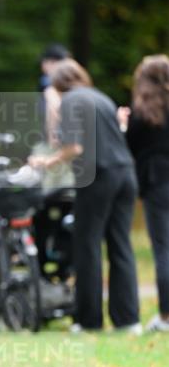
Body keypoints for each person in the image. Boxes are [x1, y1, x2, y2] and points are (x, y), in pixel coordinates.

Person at [30, 59, 141, 334]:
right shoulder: (100, 97)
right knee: (120, 245)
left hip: (98, 176)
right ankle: (128, 320)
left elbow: (73, 147)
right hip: (125, 173)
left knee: (87, 245)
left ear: (58, 84)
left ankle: (88, 320)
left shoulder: (70, 101)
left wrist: (46, 162)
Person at [119, 55, 169, 333]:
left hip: (157, 183)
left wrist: (123, 127)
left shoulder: (144, 111)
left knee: (163, 249)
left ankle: (166, 317)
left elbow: (129, 149)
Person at [38, 43, 71, 146]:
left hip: (58, 139)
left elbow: (54, 107)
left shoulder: (49, 80)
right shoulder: (71, 81)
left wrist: (53, 137)